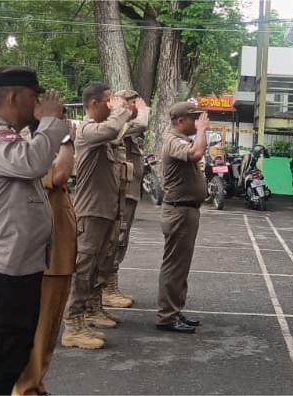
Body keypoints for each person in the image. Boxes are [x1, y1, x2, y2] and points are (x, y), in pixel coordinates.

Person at [0, 66, 67, 395]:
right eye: (33, 97)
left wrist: (44, 125)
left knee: (14, 358)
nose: (38, 103)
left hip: (21, 267)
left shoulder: (13, 136)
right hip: (4, 270)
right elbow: (33, 163)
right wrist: (50, 122)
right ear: (13, 96)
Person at [61, 83, 148, 349]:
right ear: (94, 103)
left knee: (101, 264)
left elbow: (123, 129)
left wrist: (131, 112)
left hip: (107, 210)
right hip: (91, 211)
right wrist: (121, 109)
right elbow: (112, 129)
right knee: (83, 268)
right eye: (108, 101)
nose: (113, 105)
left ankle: (90, 310)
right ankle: (73, 325)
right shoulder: (88, 130)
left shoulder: (105, 131)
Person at [12, 121, 78, 395]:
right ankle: (26, 389)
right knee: (38, 331)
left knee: (48, 331)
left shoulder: (43, 147)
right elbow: (59, 174)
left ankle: (35, 385)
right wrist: (66, 141)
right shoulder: (30, 148)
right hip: (45, 257)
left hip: (58, 255)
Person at [155, 101, 210, 334]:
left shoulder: (182, 140)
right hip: (179, 211)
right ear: (180, 121)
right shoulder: (173, 140)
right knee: (174, 266)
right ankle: (167, 316)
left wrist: (199, 132)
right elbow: (196, 154)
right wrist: (202, 131)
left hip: (186, 210)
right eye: (193, 118)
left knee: (180, 266)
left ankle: (175, 311)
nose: (197, 122)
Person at [102, 89, 148, 311]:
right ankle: (107, 289)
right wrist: (144, 110)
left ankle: (111, 286)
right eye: (133, 103)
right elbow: (142, 123)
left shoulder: (125, 127)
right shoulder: (119, 125)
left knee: (120, 239)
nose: (137, 107)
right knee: (116, 239)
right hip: (121, 192)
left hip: (129, 193)